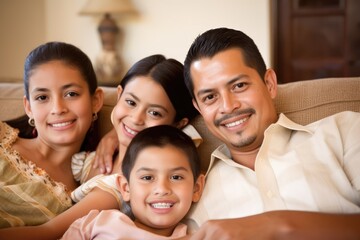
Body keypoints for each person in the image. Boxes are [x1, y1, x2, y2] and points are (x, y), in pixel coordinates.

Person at [182, 27, 360, 239]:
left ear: (270, 84)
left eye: (239, 85)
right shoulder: (194, 194)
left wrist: (278, 225)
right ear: (199, 108)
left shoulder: (344, 131)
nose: (228, 107)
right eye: (210, 97)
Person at [0, 54, 201, 239]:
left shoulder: (121, 185)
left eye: (155, 113)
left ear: (178, 124)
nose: (135, 118)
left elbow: (48, 232)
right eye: (131, 102)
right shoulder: (89, 159)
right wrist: (114, 134)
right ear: (119, 95)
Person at [0, 41, 104, 228]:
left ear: (96, 100)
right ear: (29, 107)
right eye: (42, 97)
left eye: (71, 94)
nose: (58, 109)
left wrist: (114, 136)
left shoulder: (89, 193)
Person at [61, 125, 205, 239]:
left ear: (196, 188)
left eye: (176, 177)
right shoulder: (96, 223)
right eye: (147, 178)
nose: (162, 189)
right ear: (125, 188)